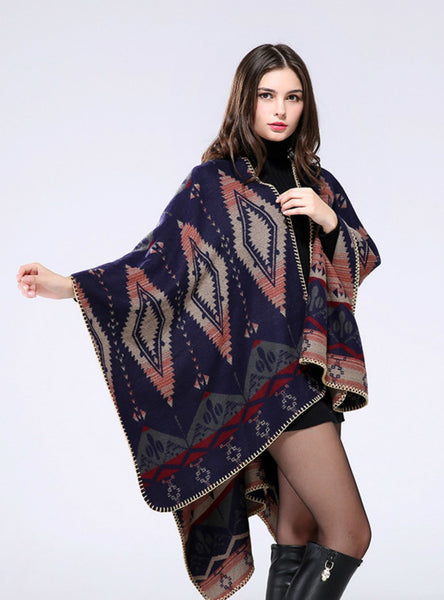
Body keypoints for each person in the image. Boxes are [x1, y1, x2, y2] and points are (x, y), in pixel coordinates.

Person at [17, 44, 380, 600]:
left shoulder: (320, 183)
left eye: (292, 97)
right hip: (272, 384)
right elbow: (158, 266)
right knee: (350, 533)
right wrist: (71, 286)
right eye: (267, 96)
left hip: (319, 373)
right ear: (245, 100)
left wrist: (328, 219)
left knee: (298, 532)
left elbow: (360, 262)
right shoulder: (212, 184)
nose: (279, 109)